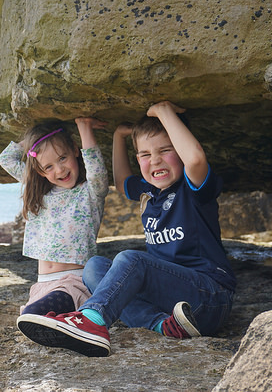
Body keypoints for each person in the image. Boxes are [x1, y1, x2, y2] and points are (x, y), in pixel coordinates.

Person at [16, 101, 236, 357]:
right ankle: (161, 325)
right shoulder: (149, 192)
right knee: (94, 268)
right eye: (145, 154)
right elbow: (122, 182)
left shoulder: (193, 190)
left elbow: (196, 159)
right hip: (174, 307)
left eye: (165, 150)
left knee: (132, 260)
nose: (155, 160)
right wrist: (119, 137)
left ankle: (92, 319)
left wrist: (163, 111)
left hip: (209, 298)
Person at [0, 117, 109, 318]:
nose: (59, 169)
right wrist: (34, 142)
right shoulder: (40, 193)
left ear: (75, 150)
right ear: (40, 171)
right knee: (33, 320)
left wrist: (84, 128)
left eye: (62, 158)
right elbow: (6, 159)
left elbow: (96, 170)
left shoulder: (89, 192)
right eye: (48, 166)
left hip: (73, 283)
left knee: (32, 315)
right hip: (42, 285)